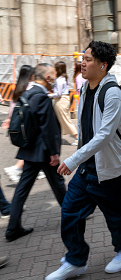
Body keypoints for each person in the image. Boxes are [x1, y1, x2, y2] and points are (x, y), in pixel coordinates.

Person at [46, 41, 121, 279]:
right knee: (70, 212)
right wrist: (80, 159)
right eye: (82, 58)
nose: (81, 62)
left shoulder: (112, 93)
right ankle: (76, 260)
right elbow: (85, 130)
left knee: (117, 216)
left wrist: (73, 159)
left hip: (110, 170)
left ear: (103, 65)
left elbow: (104, 135)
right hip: (88, 169)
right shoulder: (86, 87)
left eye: (87, 59)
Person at [5, 63, 67, 242]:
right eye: (52, 75)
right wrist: (54, 153)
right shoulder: (41, 96)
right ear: (47, 77)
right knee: (58, 183)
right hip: (44, 151)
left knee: (23, 189)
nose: (54, 79)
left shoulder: (28, 93)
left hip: (29, 150)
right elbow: (48, 128)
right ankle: (72, 214)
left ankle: (12, 228)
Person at [3, 65, 36, 183]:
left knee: (30, 149)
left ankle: (23, 169)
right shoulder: (31, 87)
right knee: (31, 148)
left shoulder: (18, 87)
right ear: (30, 75)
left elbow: (12, 106)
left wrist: (8, 119)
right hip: (29, 125)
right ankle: (16, 168)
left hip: (19, 124)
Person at [50, 61, 78, 146]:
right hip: (63, 99)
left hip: (60, 100)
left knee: (65, 119)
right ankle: (55, 136)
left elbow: (58, 93)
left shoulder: (59, 80)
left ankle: (77, 136)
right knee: (58, 120)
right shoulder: (63, 78)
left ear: (58, 69)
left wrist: (48, 95)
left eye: (55, 68)